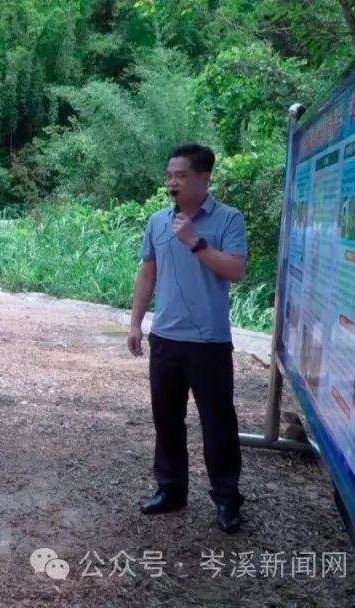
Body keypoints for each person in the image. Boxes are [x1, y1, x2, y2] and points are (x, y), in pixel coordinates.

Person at [128, 143, 248, 534]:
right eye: (169, 175)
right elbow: (148, 273)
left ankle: (227, 499)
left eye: (180, 175)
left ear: (204, 177)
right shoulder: (157, 221)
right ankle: (171, 490)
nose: (172, 182)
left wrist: (196, 241)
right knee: (167, 419)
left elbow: (235, 270)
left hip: (210, 343)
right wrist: (136, 323)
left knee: (218, 423)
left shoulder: (229, 219)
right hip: (166, 339)